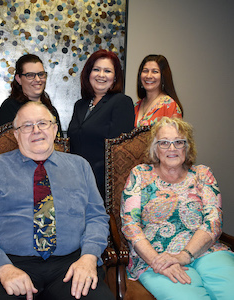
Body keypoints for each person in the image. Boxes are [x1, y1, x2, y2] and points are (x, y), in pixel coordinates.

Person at [0, 101, 114, 300]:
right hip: (10, 261)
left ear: (55, 129)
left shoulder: (80, 166)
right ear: (15, 134)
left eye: (43, 123)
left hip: (69, 264)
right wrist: (3, 268)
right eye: (26, 126)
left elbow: (96, 217)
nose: (36, 130)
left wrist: (89, 257)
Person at [121, 117, 234, 299]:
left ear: (187, 147)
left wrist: (184, 255)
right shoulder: (140, 175)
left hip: (206, 252)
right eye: (164, 143)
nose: (172, 149)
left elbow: (213, 221)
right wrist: (157, 261)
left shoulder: (203, 174)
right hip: (155, 259)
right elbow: (130, 226)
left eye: (178, 142)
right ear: (155, 149)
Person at [67, 49, 135, 199]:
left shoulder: (121, 102)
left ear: (115, 77)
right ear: (88, 74)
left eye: (107, 71)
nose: (101, 75)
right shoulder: (80, 105)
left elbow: (118, 152)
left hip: (102, 186)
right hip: (74, 180)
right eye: (96, 69)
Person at [0, 53, 63, 137]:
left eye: (41, 74)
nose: (38, 79)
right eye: (30, 75)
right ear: (18, 79)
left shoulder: (51, 109)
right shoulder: (9, 108)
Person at [135, 54, 183, 127]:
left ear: (163, 76)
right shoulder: (136, 106)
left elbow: (176, 137)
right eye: (145, 71)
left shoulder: (170, 106)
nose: (149, 76)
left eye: (155, 71)